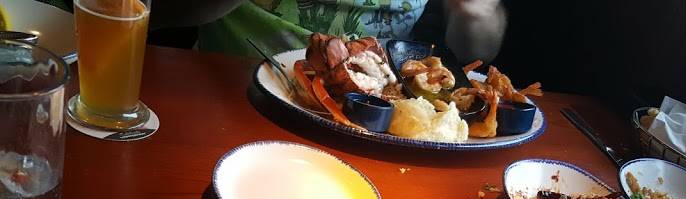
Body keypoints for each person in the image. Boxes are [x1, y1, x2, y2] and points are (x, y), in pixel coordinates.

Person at [151, 0, 507, 64]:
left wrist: (477, 14)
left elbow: (476, 53)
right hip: (236, 94)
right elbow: (149, 15)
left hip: (380, 117)